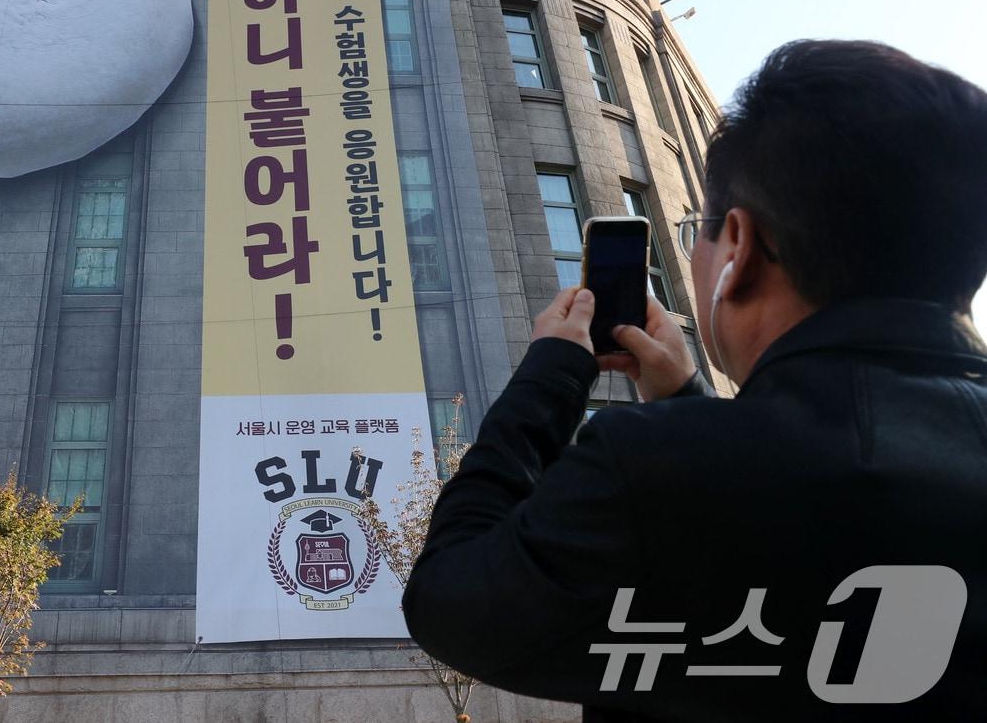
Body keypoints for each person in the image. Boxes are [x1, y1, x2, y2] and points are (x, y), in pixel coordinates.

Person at [402, 40, 987, 722]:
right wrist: (686, 406)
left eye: (694, 233)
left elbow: (450, 601)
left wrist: (552, 372)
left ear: (737, 247)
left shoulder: (645, 468)